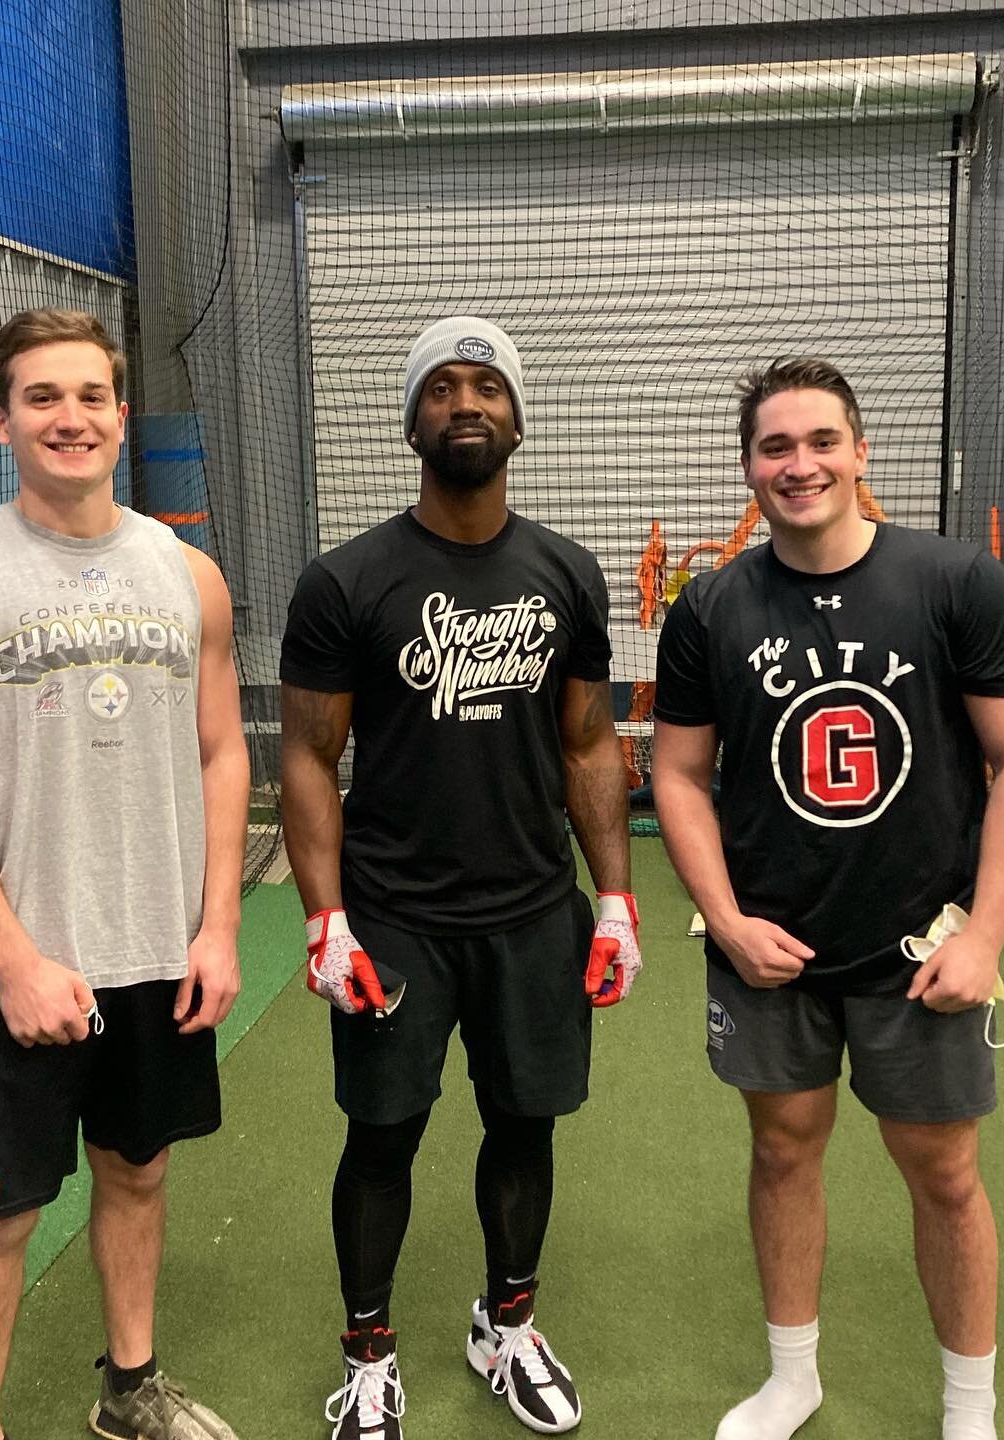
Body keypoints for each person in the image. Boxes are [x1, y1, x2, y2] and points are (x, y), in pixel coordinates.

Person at [652, 357, 1004, 1440]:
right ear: (749, 466)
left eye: (821, 441)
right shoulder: (711, 605)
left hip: (922, 950)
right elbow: (679, 776)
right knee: (783, 1148)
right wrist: (729, 921)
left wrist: (985, 934)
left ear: (861, 450)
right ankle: (795, 1378)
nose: (800, 465)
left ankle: (969, 1411)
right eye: (776, 447)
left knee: (945, 1173)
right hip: (770, 947)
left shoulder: (955, 583)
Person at [0, 308, 248, 1440]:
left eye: (91, 396)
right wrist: (17, 959)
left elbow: (225, 750)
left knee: (137, 1174)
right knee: (4, 1211)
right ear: (0, 421)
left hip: (160, 953)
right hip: (16, 976)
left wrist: (220, 925)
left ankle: (129, 1391)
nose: (70, 418)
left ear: (122, 417)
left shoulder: (189, 576)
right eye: (42, 398)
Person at [279, 316, 641, 1439]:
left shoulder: (567, 573)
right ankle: (370, 1352)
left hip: (534, 911)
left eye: (488, 386)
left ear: (518, 418)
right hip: (396, 919)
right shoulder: (347, 580)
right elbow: (306, 757)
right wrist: (326, 918)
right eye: (442, 387)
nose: (467, 402)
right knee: (383, 1136)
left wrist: (618, 897)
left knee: (524, 1124)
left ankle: (508, 1325)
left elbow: (590, 745)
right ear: (411, 421)